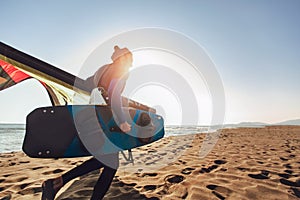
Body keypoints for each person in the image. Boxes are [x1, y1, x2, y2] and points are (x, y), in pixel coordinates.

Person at [41, 46, 133, 200]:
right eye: (130, 59)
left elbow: (89, 88)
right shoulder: (120, 70)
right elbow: (115, 95)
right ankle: (58, 183)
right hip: (104, 122)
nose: (131, 63)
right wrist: (123, 122)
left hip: (89, 118)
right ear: (123, 58)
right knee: (111, 163)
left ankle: (58, 182)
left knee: (108, 160)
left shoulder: (102, 70)